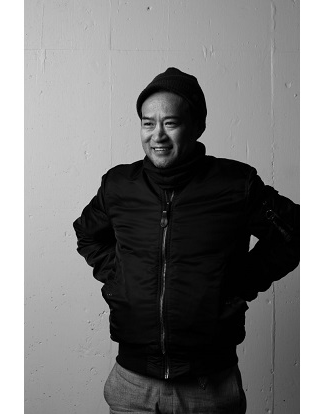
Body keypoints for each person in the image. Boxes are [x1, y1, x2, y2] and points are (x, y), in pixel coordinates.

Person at [73, 67, 299, 413]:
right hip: (131, 385)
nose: (157, 135)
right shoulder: (119, 185)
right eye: (148, 123)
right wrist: (120, 278)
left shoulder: (234, 184)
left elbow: (295, 232)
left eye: (171, 123)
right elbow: (87, 234)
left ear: (197, 126)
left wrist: (237, 282)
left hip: (207, 389)